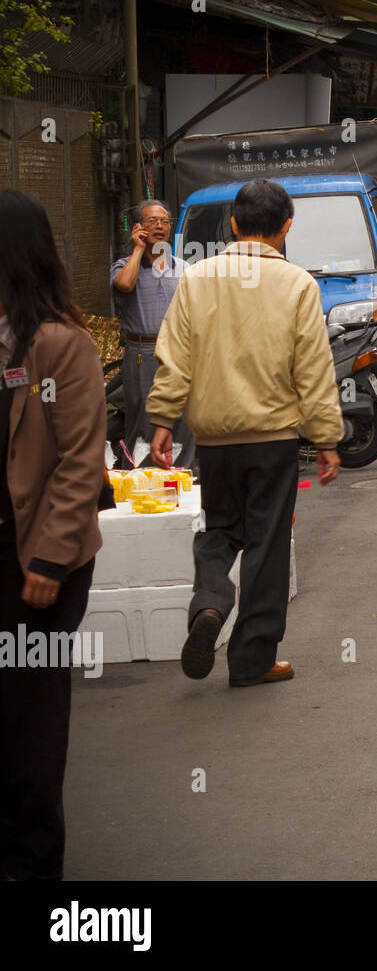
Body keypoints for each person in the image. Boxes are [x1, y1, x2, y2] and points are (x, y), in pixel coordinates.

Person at [147, 179, 343, 688]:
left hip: (213, 439)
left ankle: (210, 601)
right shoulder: (299, 285)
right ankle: (252, 659)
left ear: (232, 225)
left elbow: (174, 358)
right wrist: (325, 438)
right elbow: (313, 371)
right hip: (272, 436)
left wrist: (164, 420)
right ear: (286, 228)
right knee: (266, 543)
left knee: (220, 531)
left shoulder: (196, 279)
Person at [0, 190, 106, 879]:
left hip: (35, 563)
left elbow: (78, 462)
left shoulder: (59, 348)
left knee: (29, 726)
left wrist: (48, 557)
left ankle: (33, 867)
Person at [109, 200, 195, 469]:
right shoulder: (124, 266)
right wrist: (138, 249)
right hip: (143, 353)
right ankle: (140, 481)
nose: (159, 225)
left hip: (181, 351)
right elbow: (124, 285)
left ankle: (181, 479)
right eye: (151, 221)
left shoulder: (183, 267)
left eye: (164, 221)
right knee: (145, 420)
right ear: (138, 227)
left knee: (183, 420)